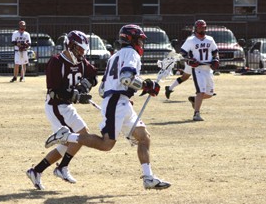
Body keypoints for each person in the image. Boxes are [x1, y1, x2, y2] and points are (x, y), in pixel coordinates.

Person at [45, 24, 171, 190]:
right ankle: (67, 137)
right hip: (117, 103)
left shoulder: (115, 57)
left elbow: (103, 88)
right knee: (106, 144)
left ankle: (148, 177)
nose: (141, 44)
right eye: (139, 40)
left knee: (144, 137)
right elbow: (127, 78)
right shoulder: (131, 54)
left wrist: (127, 95)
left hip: (120, 102)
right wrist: (147, 85)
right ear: (131, 39)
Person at [26, 30, 98, 190]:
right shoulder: (56, 61)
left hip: (66, 106)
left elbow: (94, 76)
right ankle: (61, 168)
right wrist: (76, 96)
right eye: (80, 49)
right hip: (56, 106)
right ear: (71, 45)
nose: (82, 53)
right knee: (77, 138)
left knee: (72, 141)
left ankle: (37, 171)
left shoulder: (81, 62)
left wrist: (86, 85)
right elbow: (54, 91)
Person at [180, 19, 219, 121]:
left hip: (208, 69)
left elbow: (215, 52)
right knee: (200, 91)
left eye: (203, 27)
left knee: (209, 94)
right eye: (200, 27)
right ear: (195, 28)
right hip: (197, 69)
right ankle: (196, 114)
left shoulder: (210, 39)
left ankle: (194, 99)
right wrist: (190, 60)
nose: (202, 29)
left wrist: (216, 59)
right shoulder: (191, 40)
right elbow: (183, 53)